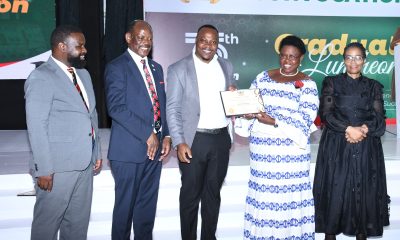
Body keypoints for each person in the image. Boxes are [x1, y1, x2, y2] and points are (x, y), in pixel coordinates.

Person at [25, 25, 102, 240]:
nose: (85, 49)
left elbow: (91, 115)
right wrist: (44, 169)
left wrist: (97, 152)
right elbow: (36, 125)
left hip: (84, 165)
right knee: (46, 229)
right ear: (61, 47)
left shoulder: (84, 75)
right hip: (56, 169)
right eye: (79, 46)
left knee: (77, 228)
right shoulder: (41, 77)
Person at [241, 35, 319, 239]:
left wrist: (275, 121)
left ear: (301, 57)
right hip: (263, 155)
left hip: (291, 157)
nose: (287, 61)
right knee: (265, 198)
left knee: (288, 200)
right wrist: (247, 112)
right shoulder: (262, 77)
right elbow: (250, 103)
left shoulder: (308, 84)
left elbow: (306, 119)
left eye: (293, 57)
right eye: (283, 56)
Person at [313, 42, 390, 240]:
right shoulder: (331, 82)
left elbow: (379, 118)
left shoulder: (373, 86)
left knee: (364, 190)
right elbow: (326, 114)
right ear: (344, 60)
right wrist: (348, 129)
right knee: (335, 188)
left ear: (364, 60)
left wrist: (362, 130)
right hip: (336, 146)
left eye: (357, 57)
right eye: (348, 57)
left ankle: (361, 233)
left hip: (366, 146)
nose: (353, 61)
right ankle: (330, 234)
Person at [166, 24, 236, 240]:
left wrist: (233, 95)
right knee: (190, 197)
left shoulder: (226, 66)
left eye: (213, 42)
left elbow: (229, 101)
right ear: (196, 41)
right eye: (204, 40)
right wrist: (179, 141)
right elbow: (173, 108)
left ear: (218, 44)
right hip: (194, 140)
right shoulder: (179, 68)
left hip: (221, 138)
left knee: (213, 195)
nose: (209, 45)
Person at [104, 20, 171, 240]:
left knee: (146, 210)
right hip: (128, 153)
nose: (146, 43)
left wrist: (166, 135)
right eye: (141, 37)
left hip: (155, 151)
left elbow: (161, 104)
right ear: (128, 38)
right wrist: (147, 134)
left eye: (150, 38)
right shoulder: (116, 67)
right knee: (125, 211)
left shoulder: (156, 68)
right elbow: (116, 108)